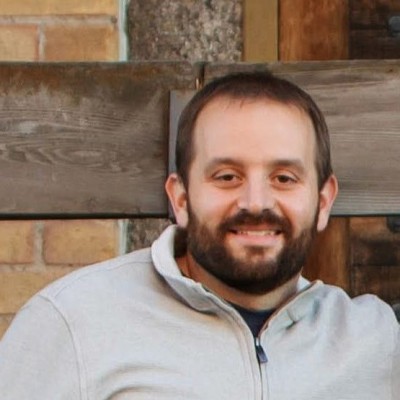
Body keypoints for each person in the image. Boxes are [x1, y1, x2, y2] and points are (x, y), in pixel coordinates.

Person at [0, 71, 398, 399]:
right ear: (181, 198)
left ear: (323, 202)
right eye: (227, 177)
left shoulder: (375, 341)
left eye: (284, 178)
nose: (256, 202)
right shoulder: (73, 323)